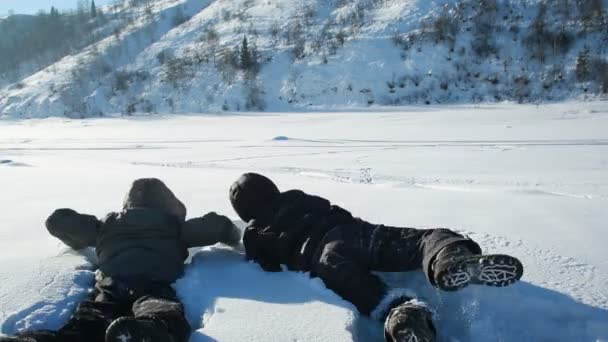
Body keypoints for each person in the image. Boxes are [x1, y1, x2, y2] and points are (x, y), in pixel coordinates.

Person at [229, 173, 524, 342]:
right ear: (271, 188)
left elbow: (263, 265)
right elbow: (334, 209)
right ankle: (448, 257)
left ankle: (404, 315)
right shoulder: (297, 195)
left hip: (322, 258)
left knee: (371, 295)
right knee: (418, 241)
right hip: (350, 231)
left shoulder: (255, 234)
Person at [1, 178, 241, 342]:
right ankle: (147, 332)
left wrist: (80, 235)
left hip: (111, 283)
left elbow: (57, 222)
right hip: (155, 283)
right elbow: (218, 226)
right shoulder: (173, 226)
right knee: (159, 309)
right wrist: (234, 236)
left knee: (90, 319)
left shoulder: (107, 225)